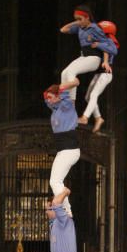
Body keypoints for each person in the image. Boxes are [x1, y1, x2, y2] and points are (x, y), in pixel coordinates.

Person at [60, 5, 117, 102]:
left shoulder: (96, 28)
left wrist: (106, 61)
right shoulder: (80, 27)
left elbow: (105, 44)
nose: (78, 21)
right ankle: (65, 102)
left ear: (87, 17)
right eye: (76, 19)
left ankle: (71, 104)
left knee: (71, 71)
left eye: (80, 19)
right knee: (64, 73)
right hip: (83, 56)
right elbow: (63, 29)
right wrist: (76, 22)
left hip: (93, 57)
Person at [44, 78, 80, 216]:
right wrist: (51, 92)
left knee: (55, 181)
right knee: (55, 181)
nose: (49, 100)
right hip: (63, 150)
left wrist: (73, 83)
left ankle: (66, 210)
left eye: (51, 97)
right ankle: (67, 210)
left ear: (58, 96)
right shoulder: (55, 107)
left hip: (69, 150)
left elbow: (63, 90)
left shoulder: (67, 106)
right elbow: (45, 96)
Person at [78, 20, 119, 133]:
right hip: (99, 73)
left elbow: (109, 50)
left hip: (106, 74)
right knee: (88, 97)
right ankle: (98, 118)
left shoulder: (109, 41)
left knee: (94, 94)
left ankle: (85, 117)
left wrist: (105, 61)